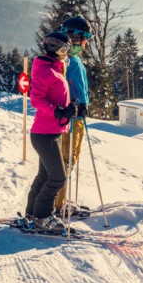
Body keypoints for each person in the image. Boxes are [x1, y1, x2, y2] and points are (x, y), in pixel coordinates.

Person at [24, 31, 76, 233]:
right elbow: (36, 99)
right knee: (57, 177)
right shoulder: (46, 70)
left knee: (45, 175)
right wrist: (59, 112)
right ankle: (43, 217)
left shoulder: (53, 68)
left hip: (50, 131)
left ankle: (32, 213)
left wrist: (72, 109)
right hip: (45, 134)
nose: (67, 53)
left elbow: (57, 97)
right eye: (66, 48)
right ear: (60, 49)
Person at [54, 16, 93, 218]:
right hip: (72, 119)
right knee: (67, 159)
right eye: (85, 38)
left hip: (72, 117)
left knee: (65, 160)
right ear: (78, 38)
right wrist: (78, 106)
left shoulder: (68, 59)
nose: (86, 43)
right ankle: (57, 205)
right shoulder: (70, 62)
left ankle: (57, 201)